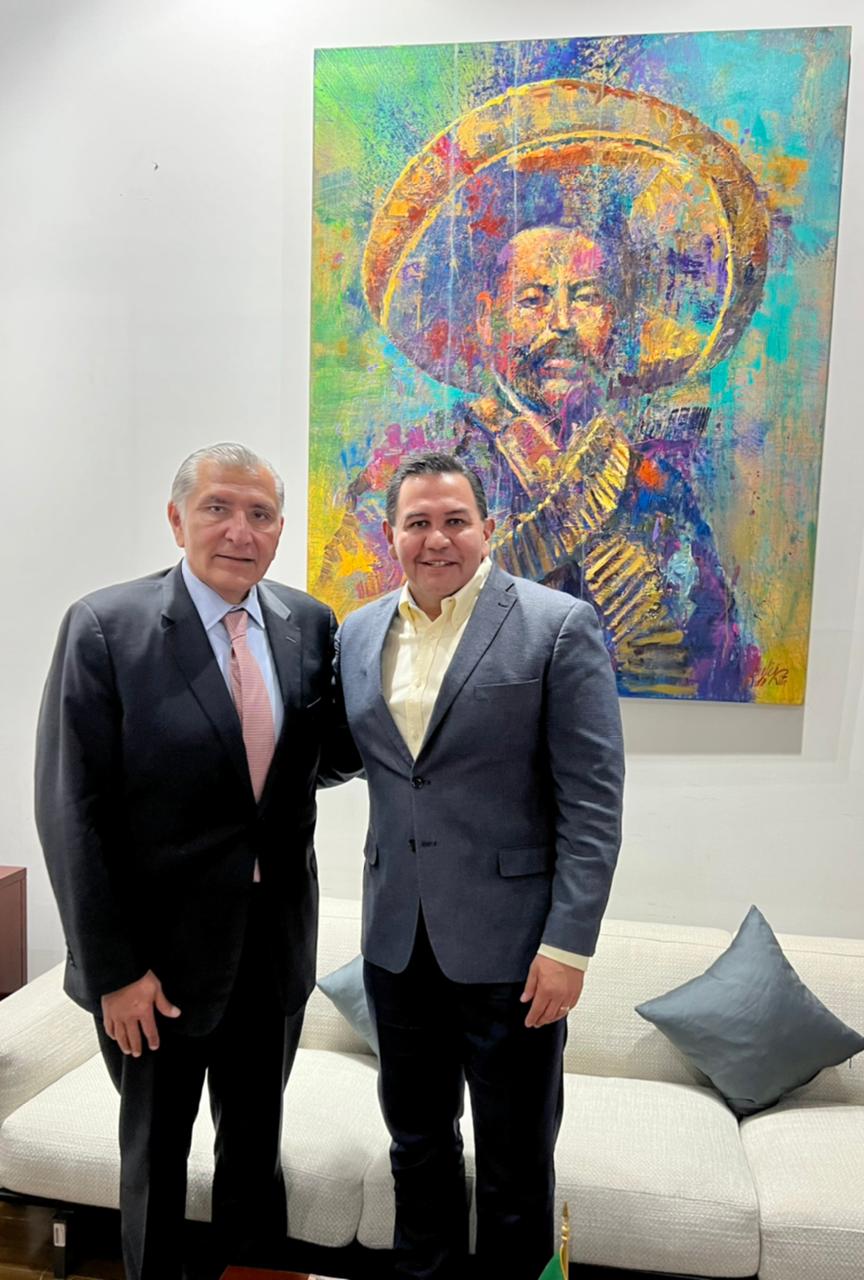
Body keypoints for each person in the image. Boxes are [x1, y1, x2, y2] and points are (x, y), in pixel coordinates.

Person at [35, 442, 352, 1280]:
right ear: (177, 520)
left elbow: (313, 760)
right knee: (156, 1166)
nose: (239, 531)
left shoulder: (309, 624)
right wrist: (114, 972)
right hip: (156, 971)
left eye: (260, 514)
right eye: (218, 508)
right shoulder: (106, 627)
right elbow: (72, 812)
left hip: (272, 955)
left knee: (254, 1156)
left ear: (280, 530)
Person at [335, 451, 625, 1279]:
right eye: (418, 523)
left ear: (488, 528)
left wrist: (568, 946)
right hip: (397, 946)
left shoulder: (557, 626)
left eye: (455, 521)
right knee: (416, 1147)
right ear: (391, 534)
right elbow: (344, 757)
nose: (437, 539)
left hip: (516, 955)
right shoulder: (357, 633)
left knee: (515, 1164)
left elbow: (593, 802)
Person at [319, 223, 754, 700]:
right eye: (533, 300)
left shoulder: (656, 486)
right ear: (486, 320)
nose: (562, 322)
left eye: (586, 298)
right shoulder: (416, 467)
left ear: (612, 318)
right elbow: (361, 641)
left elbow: (716, 658)